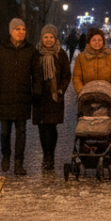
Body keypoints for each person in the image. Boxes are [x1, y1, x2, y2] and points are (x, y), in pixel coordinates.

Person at [0, 18, 38, 175]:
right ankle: (6, 155)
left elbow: (36, 75)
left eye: (23, 29)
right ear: (11, 31)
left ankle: (18, 163)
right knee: (4, 132)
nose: (21, 32)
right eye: (17, 29)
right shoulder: (1, 50)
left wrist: (37, 93)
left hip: (23, 97)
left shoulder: (30, 50)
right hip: (5, 98)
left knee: (21, 132)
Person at [31, 24, 71, 170]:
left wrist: (61, 90)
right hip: (39, 96)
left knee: (52, 127)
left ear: (55, 38)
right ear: (42, 38)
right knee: (42, 128)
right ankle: (45, 156)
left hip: (54, 96)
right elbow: (30, 73)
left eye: (51, 37)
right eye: (45, 37)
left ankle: (51, 156)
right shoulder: (35, 54)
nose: (48, 40)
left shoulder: (61, 54)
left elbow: (67, 75)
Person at [72, 26, 111, 95]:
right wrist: (81, 92)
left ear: (103, 41)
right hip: (87, 98)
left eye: (100, 40)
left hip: (107, 97)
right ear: (89, 41)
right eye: (94, 40)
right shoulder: (81, 58)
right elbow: (77, 77)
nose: (97, 43)